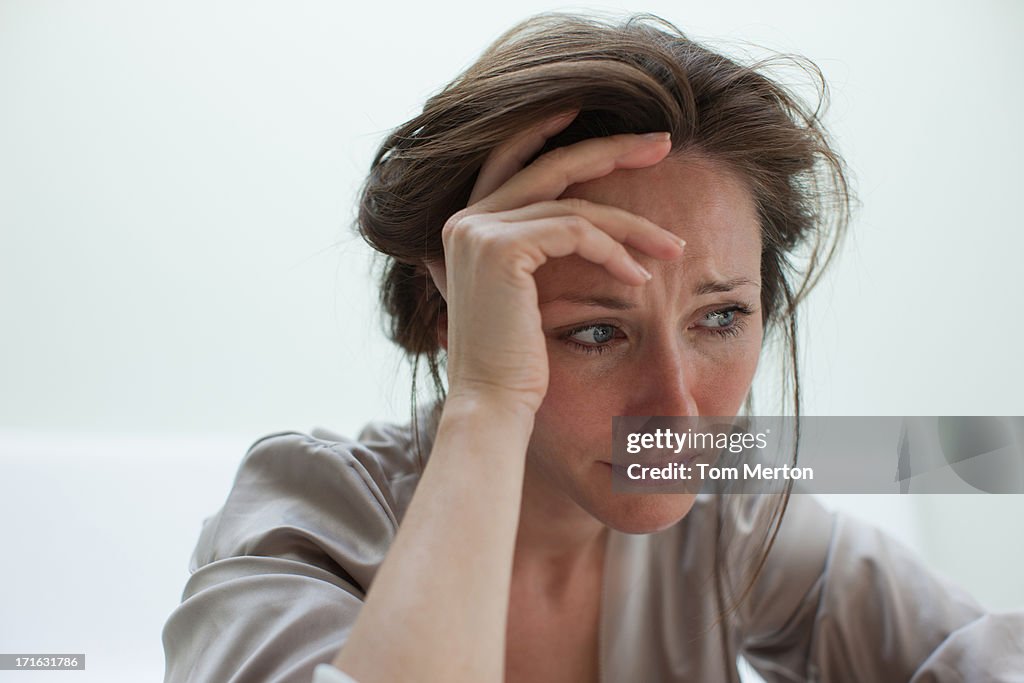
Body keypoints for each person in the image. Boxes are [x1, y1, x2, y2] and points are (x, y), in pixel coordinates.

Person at [161, 12, 1024, 683]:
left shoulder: (727, 521)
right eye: (594, 332)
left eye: (721, 318)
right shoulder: (311, 525)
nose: (678, 411)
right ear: (452, 317)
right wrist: (489, 399)